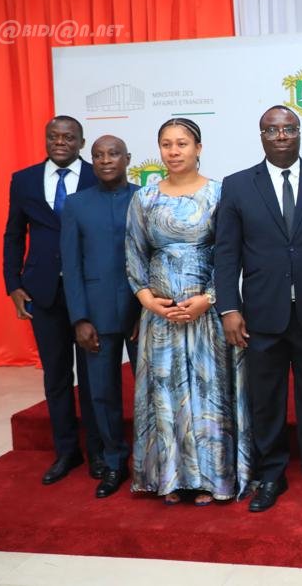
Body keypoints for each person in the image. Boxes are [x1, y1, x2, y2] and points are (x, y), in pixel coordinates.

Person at [126, 117, 251, 505]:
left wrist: (209, 298)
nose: (174, 151)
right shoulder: (144, 198)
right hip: (160, 317)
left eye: (182, 143)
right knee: (165, 394)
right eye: (166, 144)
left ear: (198, 148)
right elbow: (134, 252)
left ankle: (211, 479)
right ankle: (170, 477)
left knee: (208, 395)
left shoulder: (219, 193)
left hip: (208, 315)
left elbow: (231, 252)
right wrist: (148, 300)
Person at [215, 106, 302, 512]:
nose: (281, 136)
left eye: (289, 129)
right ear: (261, 136)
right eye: (272, 130)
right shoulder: (237, 186)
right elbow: (226, 254)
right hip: (261, 313)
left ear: (299, 133)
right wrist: (229, 308)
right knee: (266, 397)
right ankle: (271, 474)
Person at [3, 115, 104, 485]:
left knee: (92, 377)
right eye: (53, 136)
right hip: (42, 291)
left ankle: (98, 451)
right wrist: (12, 283)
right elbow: (14, 234)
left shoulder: (98, 176)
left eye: (68, 137)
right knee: (57, 376)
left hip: (89, 292)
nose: (60, 142)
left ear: (81, 142)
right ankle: (66, 451)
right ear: (46, 140)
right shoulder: (24, 180)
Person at [60, 135, 139, 498]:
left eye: (113, 154)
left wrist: (147, 309)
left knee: (149, 392)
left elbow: (154, 257)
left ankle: (151, 461)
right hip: (95, 315)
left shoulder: (145, 198)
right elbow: (71, 266)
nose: (106, 160)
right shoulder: (76, 204)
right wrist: (80, 318)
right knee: (103, 394)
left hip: (142, 315)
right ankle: (114, 462)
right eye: (98, 155)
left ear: (127, 158)